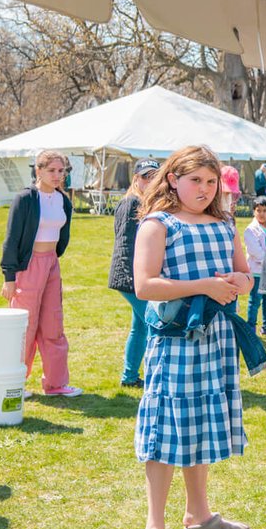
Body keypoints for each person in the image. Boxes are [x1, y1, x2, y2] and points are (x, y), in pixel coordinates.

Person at [131, 145, 257, 529]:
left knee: (200, 422)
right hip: (177, 339)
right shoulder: (157, 224)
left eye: (210, 181)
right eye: (195, 181)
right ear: (173, 180)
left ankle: (199, 516)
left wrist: (240, 280)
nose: (203, 189)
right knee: (168, 426)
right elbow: (145, 285)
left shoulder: (224, 222)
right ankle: (153, 528)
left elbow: (246, 275)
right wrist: (203, 285)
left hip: (217, 339)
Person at [0, 149, 82, 397]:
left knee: (53, 324)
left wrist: (52, 261)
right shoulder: (25, 199)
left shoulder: (63, 200)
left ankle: (55, 384)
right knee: (24, 325)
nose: (57, 176)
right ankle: (15, 381)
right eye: (52, 170)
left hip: (51, 265)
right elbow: (12, 238)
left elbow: (62, 236)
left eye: (61, 171)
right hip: (28, 266)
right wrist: (9, 277)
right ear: (38, 170)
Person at [109, 159, 160, 388]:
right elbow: (125, 243)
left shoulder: (146, 203)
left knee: (139, 326)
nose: (149, 181)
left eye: (154, 177)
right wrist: (134, 277)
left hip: (134, 275)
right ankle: (154, 376)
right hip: (129, 275)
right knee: (153, 324)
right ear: (135, 179)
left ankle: (129, 376)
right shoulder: (131, 203)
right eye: (145, 177)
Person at [244, 198, 266, 340]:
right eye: (258, 210)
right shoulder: (250, 230)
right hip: (257, 272)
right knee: (255, 301)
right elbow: (256, 252)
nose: (262, 214)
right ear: (254, 211)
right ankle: (250, 328)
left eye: (265, 210)